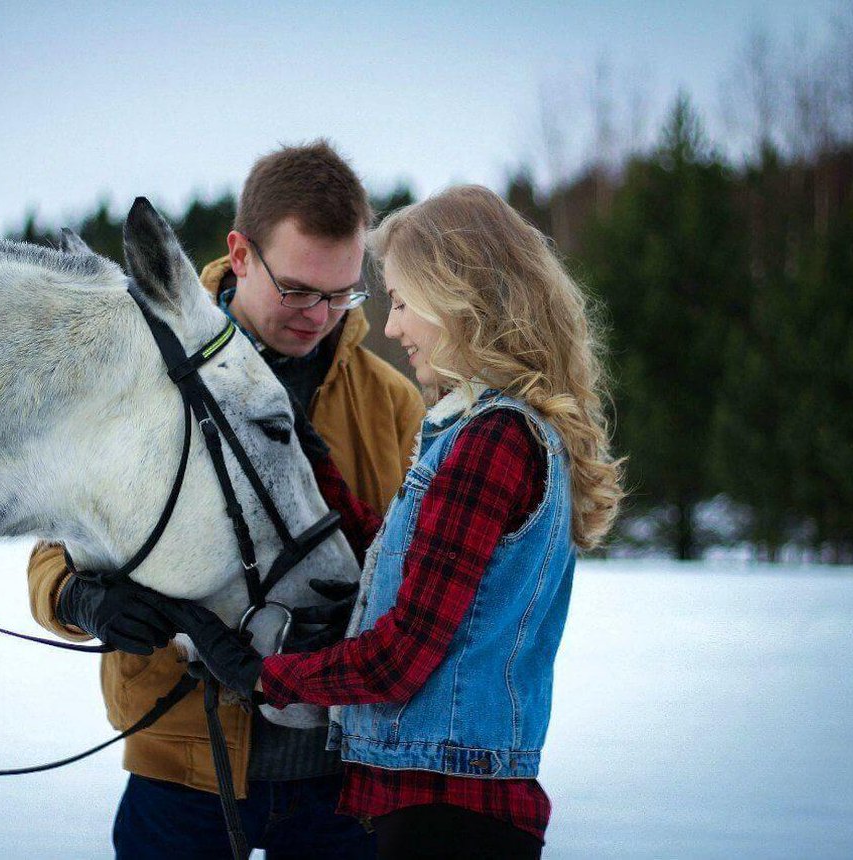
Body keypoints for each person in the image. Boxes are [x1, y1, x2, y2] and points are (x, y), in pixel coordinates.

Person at [176, 184, 625, 859]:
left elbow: (401, 656)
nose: (392, 327)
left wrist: (266, 677)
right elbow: (406, 560)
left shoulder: (490, 444)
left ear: (460, 300)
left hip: (444, 818)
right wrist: (312, 460)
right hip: (457, 804)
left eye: (406, 303)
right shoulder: (492, 429)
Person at [26, 141, 426, 858]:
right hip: (181, 772)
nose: (320, 315)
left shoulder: (390, 402)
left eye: (342, 294)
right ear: (241, 254)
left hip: (342, 782)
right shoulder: (148, 377)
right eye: (299, 290)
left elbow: (411, 578)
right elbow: (52, 551)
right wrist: (85, 601)